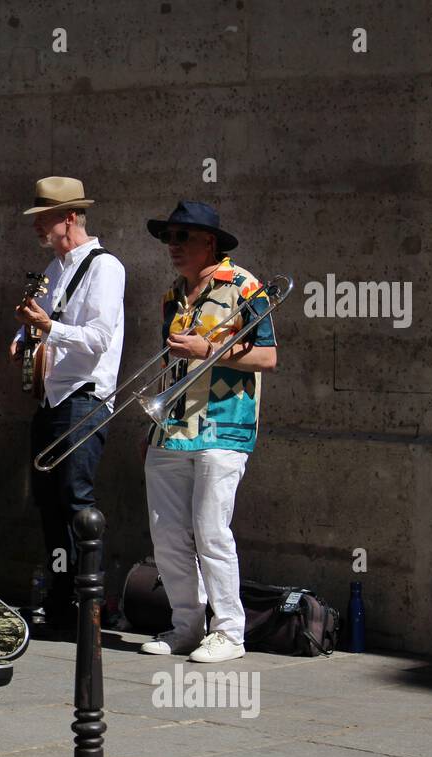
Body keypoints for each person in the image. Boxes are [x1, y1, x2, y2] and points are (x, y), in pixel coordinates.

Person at [138, 200, 277, 663]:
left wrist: (209, 349)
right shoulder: (171, 295)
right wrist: (152, 422)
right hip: (172, 427)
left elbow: (267, 357)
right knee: (167, 535)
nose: (172, 246)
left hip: (223, 426)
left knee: (211, 531)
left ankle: (230, 632)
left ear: (209, 243)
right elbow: (169, 366)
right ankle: (186, 624)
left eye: (182, 237)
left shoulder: (245, 286)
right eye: (168, 238)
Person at [12, 177, 125, 632]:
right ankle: (61, 604)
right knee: (49, 502)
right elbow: (41, 323)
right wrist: (23, 334)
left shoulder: (105, 267)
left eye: (44, 219)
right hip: (53, 395)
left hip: (85, 396)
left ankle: (90, 604)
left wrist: (45, 326)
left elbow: (97, 340)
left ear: (70, 217)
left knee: (77, 499)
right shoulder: (53, 268)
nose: (38, 227)